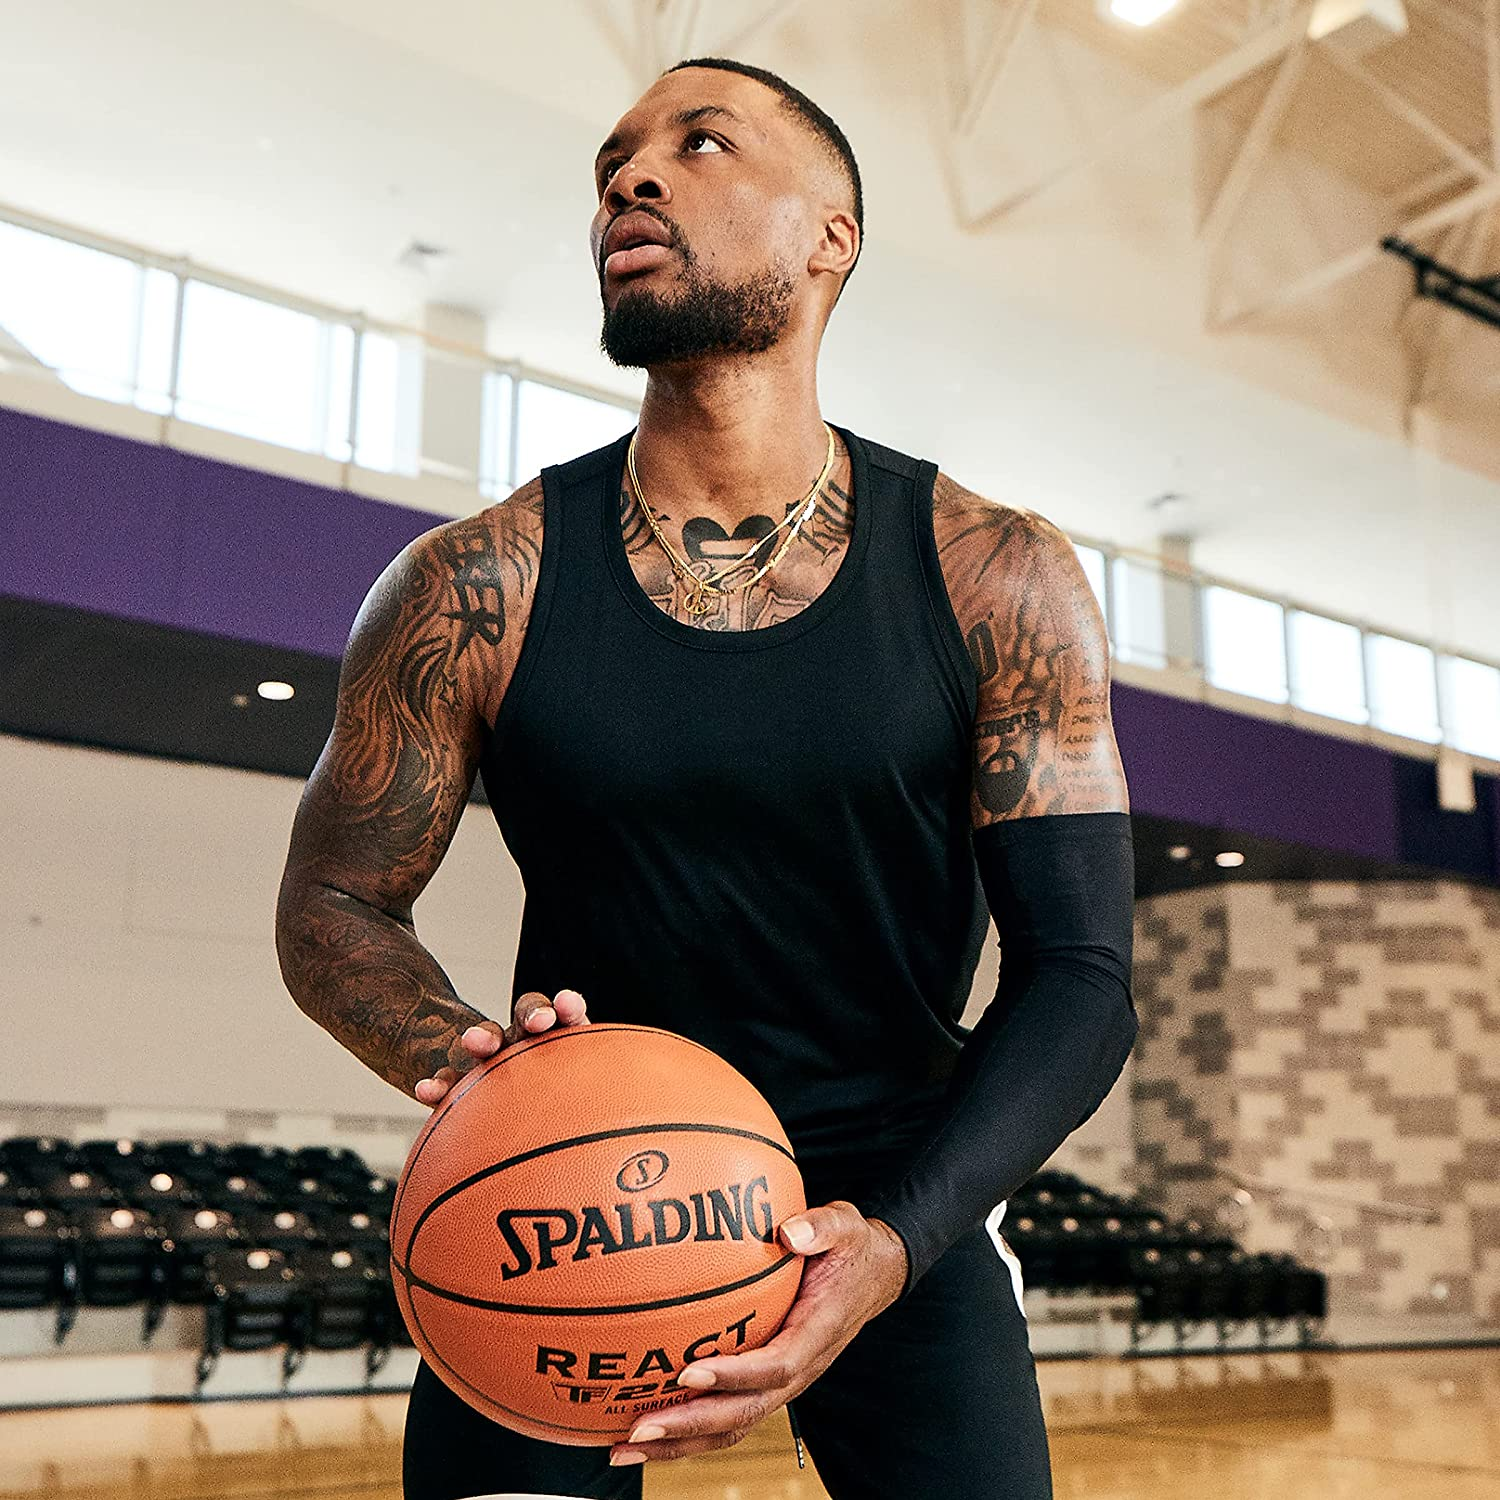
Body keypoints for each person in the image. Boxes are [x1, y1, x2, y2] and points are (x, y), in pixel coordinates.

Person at [276, 54, 1136, 1500]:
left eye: (704, 142)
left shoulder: (997, 575)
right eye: (613, 161)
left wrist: (899, 1241)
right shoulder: (471, 585)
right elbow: (334, 904)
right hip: (571, 1191)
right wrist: (477, 1066)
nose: (630, 175)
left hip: (897, 1192)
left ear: (831, 237)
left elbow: (1083, 972)